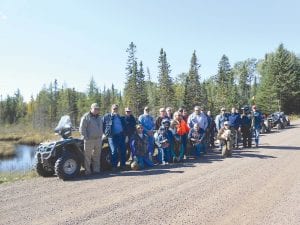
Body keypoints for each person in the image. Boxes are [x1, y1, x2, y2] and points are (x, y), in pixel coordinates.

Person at [79, 103, 103, 175]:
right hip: (89, 140)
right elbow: (82, 128)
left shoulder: (99, 117)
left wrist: (101, 136)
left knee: (97, 156)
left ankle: (96, 170)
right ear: (91, 109)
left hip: (98, 139)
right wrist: (86, 137)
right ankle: (88, 171)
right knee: (87, 156)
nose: (96, 110)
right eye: (95, 109)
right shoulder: (86, 117)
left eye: (98, 109)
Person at [103, 104, 126, 171]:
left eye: (116, 109)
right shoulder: (107, 116)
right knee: (114, 151)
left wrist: (125, 135)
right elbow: (102, 125)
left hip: (121, 135)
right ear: (111, 109)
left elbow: (124, 126)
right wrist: (104, 134)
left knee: (122, 150)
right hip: (112, 136)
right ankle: (114, 166)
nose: (115, 110)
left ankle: (123, 165)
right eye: (114, 109)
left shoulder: (120, 117)